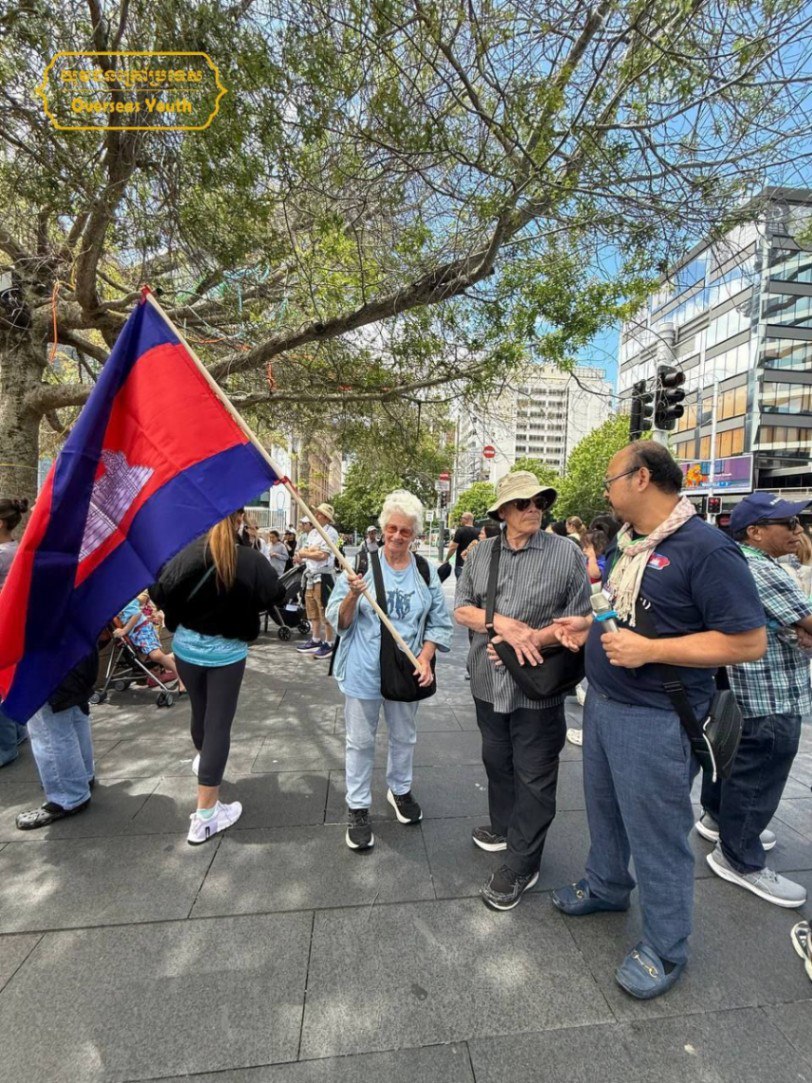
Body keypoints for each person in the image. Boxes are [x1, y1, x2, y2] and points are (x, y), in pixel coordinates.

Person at [550, 441, 766, 1000]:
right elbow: (628, 613)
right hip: (605, 704)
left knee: (658, 835)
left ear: (641, 478)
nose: (606, 492)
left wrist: (651, 651)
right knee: (604, 811)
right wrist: (587, 627)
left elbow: (748, 642)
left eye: (610, 481)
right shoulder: (631, 544)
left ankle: (666, 947)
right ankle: (607, 884)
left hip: (657, 718)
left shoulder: (707, 549)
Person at [454, 471, 591, 911]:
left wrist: (529, 639)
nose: (534, 508)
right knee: (497, 760)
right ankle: (503, 826)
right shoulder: (481, 553)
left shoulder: (566, 553)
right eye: (523, 502)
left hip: (538, 684)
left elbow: (581, 620)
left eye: (540, 501)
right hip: (486, 680)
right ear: (502, 512)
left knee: (534, 775)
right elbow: (461, 609)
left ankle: (522, 863)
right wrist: (500, 624)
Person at [696, 492, 812, 908]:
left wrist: (799, 629)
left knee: (731, 762)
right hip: (769, 692)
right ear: (756, 532)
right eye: (788, 524)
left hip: (741, 688)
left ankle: (720, 820)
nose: (798, 530)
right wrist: (802, 629)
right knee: (759, 773)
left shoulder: (737, 562)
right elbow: (807, 621)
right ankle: (739, 857)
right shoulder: (761, 568)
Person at [326, 490, 453, 851]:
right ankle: (358, 807)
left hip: (406, 670)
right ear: (383, 528)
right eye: (392, 528)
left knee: (404, 736)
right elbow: (339, 622)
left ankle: (399, 789)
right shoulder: (360, 566)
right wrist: (352, 594)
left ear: (415, 535)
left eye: (405, 531)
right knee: (360, 742)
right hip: (363, 669)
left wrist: (426, 656)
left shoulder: (424, 570)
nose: (397, 536)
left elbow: (439, 621)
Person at [151, 512, 285, 845]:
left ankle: (205, 765)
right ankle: (206, 817)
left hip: (186, 649)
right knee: (218, 727)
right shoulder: (250, 560)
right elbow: (276, 594)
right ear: (240, 518)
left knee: (200, 713)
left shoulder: (186, 553)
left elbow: (159, 591)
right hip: (226, 655)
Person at [15, 647, 99, 829]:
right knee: (73, 714)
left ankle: (68, 796)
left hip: (45, 665)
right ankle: (82, 778)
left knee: (48, 728)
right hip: (75, 655)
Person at [0, 497, 30, 766]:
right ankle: (18, 733)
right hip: (13, 625)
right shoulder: (16, 549)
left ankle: (5, 747)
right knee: (8, 682)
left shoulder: (2, 554)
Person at [295, 503, 340, 659]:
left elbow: (323, 555)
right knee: (312, 608)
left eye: (319, 514)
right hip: (311, 575)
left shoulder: (331, 533)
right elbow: (302, 550)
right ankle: (315, 639)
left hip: (323, 576)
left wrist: (307, 553)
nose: (315, 516)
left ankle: (329, 642)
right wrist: (311, 551)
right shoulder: (313, 532)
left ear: (326, 517)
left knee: (324, 609)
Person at [115, 593, 184, 689]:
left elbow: (137, 614)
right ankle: (175, 662)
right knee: (152, 659)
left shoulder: (123, 599)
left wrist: (124, 630)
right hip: (136, 633)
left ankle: (181, 677)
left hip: (142, 630)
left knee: (156, 655)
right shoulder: (117, 602)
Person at [446, 511, 480, 579]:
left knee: (461, 585)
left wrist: (447, 559)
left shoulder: (460, 531)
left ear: (467, 519)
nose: (461, 520)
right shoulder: (479, 532)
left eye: (462, 518)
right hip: (474, 565)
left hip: (461, 565)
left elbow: (453, 548)